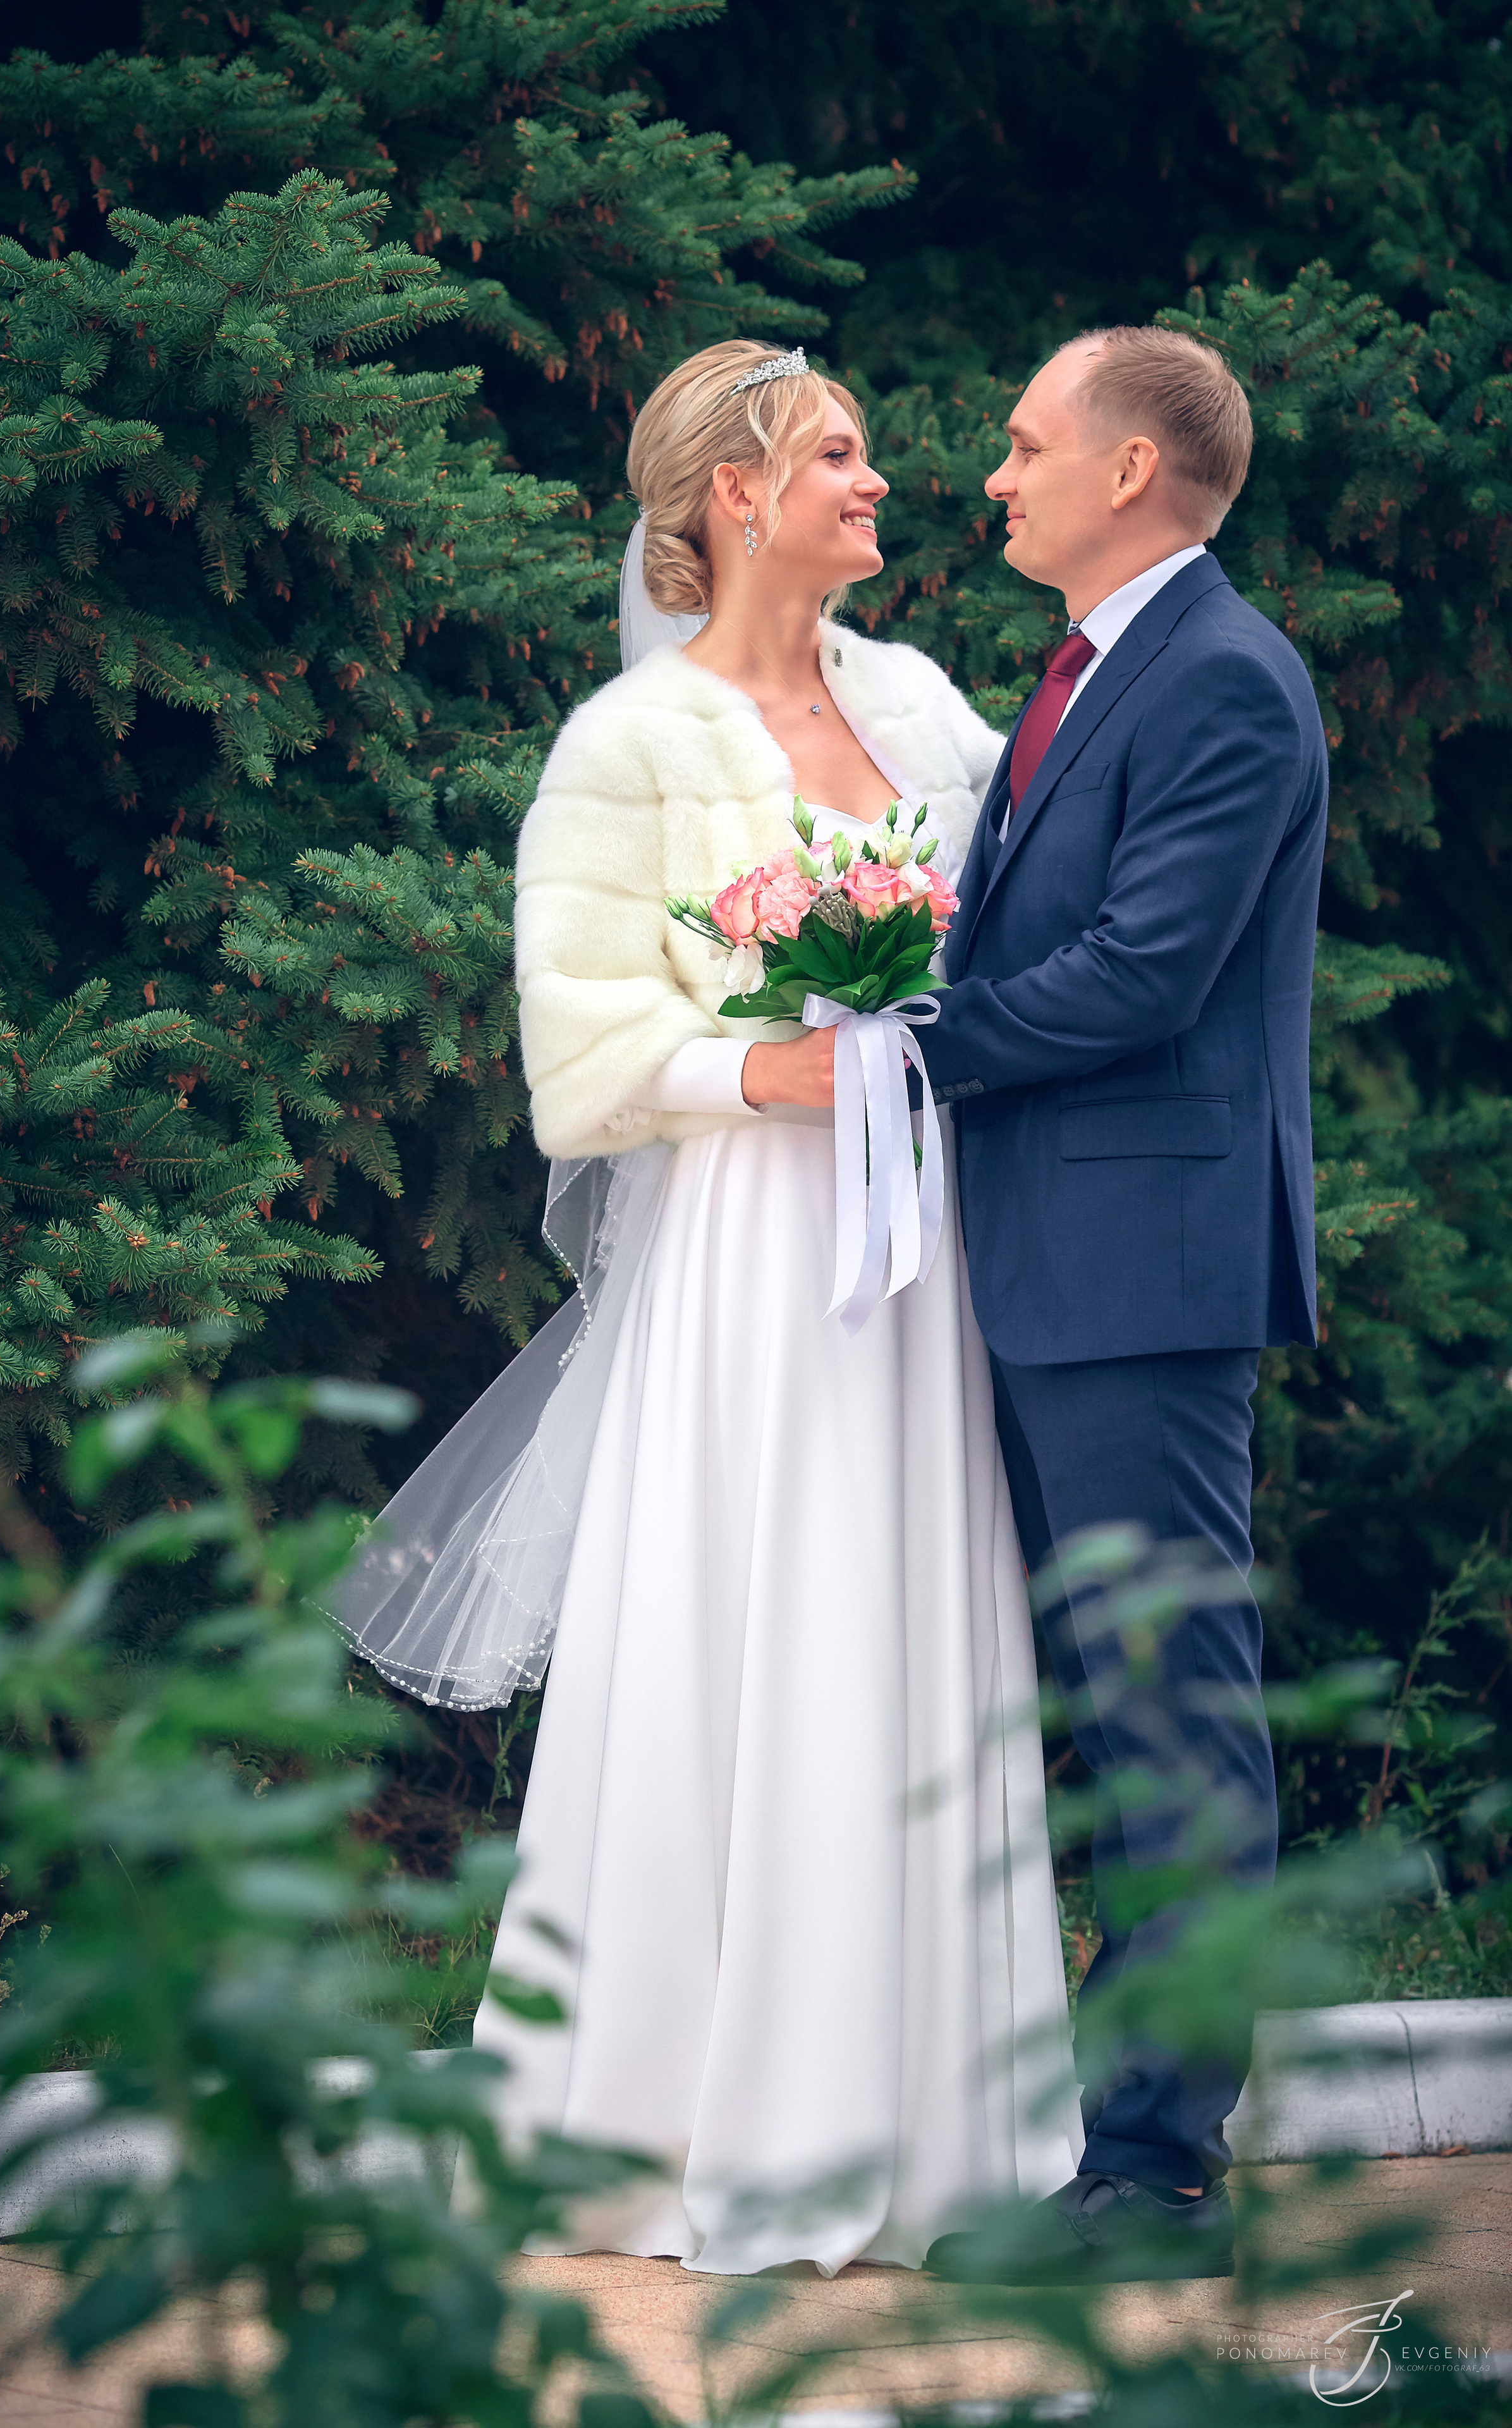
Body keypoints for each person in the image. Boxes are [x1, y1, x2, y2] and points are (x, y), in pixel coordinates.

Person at [384, 338, 1084, 2277]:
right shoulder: (629, 749)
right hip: (747, 1265)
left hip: (910, 1248)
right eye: (841, 457)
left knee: (906, 1624)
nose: (881, 483)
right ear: (736, 495)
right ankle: (682, 2119)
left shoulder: (928, 704)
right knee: (741, 1635)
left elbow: (1005, 950)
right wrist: (768, 1069)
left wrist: (913, 1039)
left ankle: (932, 2124)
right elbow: (583, 1050)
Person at [917, 326, 1327, 2286]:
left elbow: (1145, 975)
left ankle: (1156, 2169)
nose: (994, 477)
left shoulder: (1228, 680)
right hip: (1032, 1259)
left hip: (1139, 1277)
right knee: (1084, 1705)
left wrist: (912, 1043)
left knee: (1172, 1722)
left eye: (1023, 445)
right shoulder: (1083, 672)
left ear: (1133, 471)